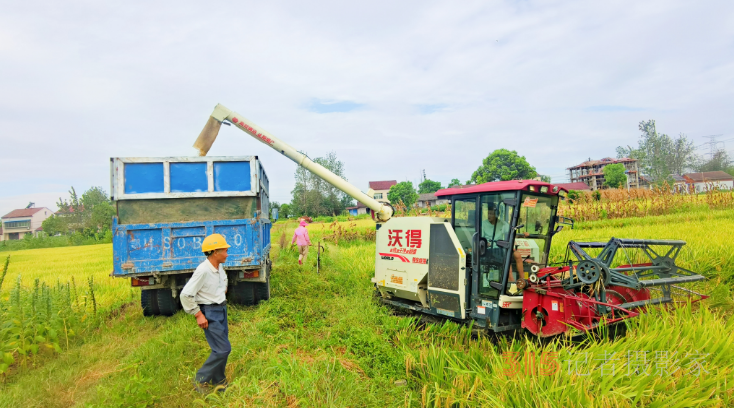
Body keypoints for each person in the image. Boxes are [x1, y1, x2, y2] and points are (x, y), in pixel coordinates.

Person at [180, 233, 231, 393]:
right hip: (209, 312)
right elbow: (186, 294)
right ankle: (200, 379)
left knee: (220, 348)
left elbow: (223, 282)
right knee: (223, 349)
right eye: (224, 250)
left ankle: (219, 382)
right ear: (215, 252)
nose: (227, 254)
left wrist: (222, 292)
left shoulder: (219, 266)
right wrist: (198, 314)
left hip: (221, 309)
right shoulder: (203, 270)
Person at [481, 204, 529, 285]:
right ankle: (511, 282)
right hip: (490, 250)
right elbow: (480, 239)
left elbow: (512, 232)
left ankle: (523, 280)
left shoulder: (502, 223)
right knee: (506, 256)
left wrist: (523, 234)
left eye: (491, 214)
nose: (489, 216)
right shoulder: (483, 224)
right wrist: (486, 243)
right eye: (488, 213)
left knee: (517, 254)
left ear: (497, 215)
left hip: (501, 247)